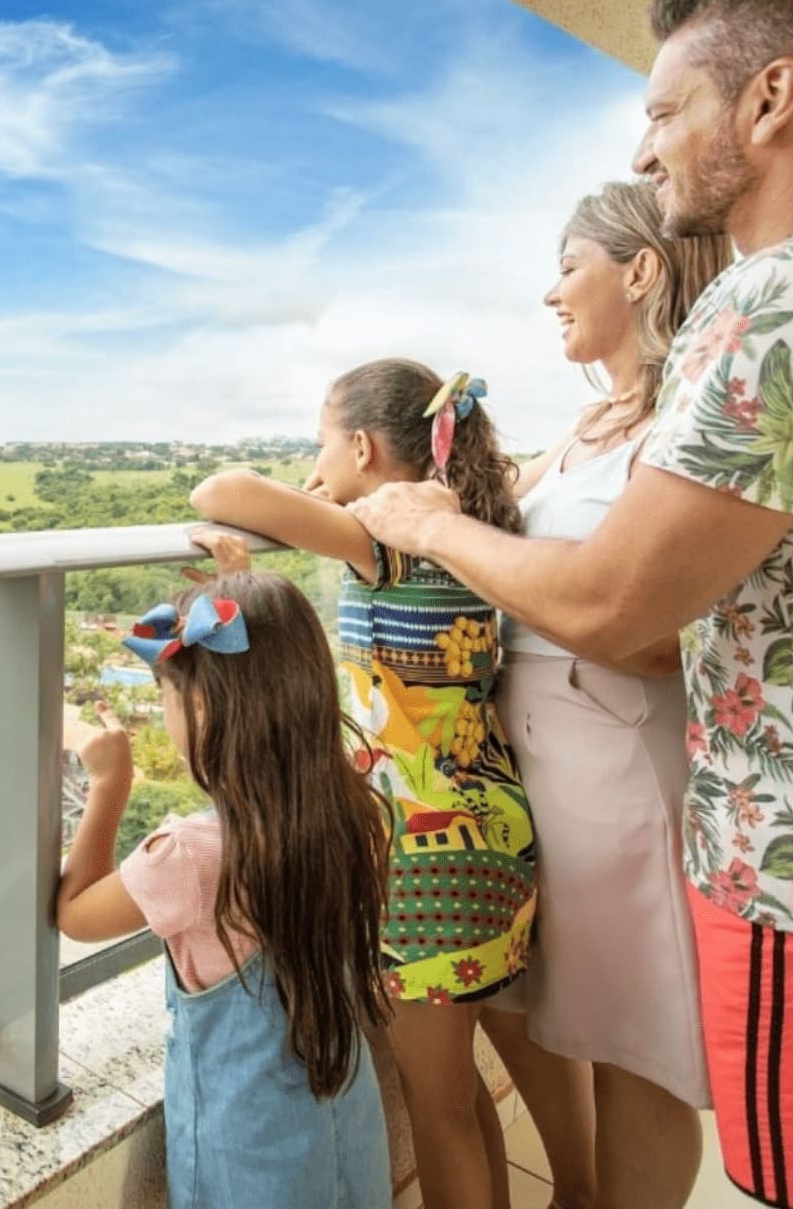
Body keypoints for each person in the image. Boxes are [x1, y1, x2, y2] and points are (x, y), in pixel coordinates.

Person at [348, 0, 793, 1207]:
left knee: (703, 1103)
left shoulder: (784, 298)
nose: (643, 144)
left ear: (771, 97)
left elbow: (623, 610)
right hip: (623, 803)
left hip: (782, 847)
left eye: (665, 110)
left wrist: (427, 524)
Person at [190, 358, 536, 1209]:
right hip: (495, 827)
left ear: (362, 448)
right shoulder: (466, 529)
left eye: (322, 443)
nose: (316, 463)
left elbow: (218, 491)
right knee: (464, 1095)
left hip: (428, 859)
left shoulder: (387, 538)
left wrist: (311, 496)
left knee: (439, 1111)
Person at [475, 177, 730, 1209]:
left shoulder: (678, 428)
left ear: (640, 272)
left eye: (568, 265)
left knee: (633, 1045)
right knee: (519, 998)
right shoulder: (590, 424)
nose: (551, 292)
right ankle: (575, 1190)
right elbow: (484, 528)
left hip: (612, 762)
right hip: (530, 761)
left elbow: (659, 636)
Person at [55, 572, 393, 1209]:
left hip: (250, 1158)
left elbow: (74, 914)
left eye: (165, 695)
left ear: (203, 708)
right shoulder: (352, 808)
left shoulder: (188, 856)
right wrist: (248, 587)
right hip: (344, 1125)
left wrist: (110, 785)